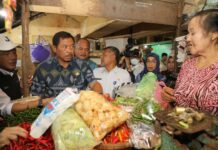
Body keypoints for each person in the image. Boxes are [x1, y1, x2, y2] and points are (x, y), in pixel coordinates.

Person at [161, 9, 218, 116]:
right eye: (188, 33)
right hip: (180, 129)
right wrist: (171, 97)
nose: (187, 38)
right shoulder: (188, 65)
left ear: (213, 34)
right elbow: (181, 106)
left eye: (193, 33)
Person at [30, 31, 102, 98]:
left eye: (72, 46)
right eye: (65, 47)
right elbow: (36, 97)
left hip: (76, 110)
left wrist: (97, 93)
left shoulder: (82, 66)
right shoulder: (43, 68)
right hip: (53, 110)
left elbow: (95, 84)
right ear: (55, 48)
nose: (69, 50)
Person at [0, 35, 51, 116]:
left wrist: (21, 89)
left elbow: (17, 97)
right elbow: (5, 108)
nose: (13, 57)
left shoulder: (14, 74)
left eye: (14, 52)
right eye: (7, 54)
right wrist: (41, 102)